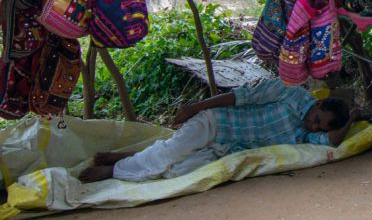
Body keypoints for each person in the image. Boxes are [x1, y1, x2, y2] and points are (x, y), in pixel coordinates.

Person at [79, 78, 353, 183]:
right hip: (214, 123)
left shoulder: (306, 135)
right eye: (316, 118)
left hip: (224, 149)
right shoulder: (287, 93)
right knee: (168, 155)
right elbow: (239, 97)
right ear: (317, 103)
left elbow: (330, 141)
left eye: (318, 126)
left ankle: (133, 156)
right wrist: (195, 107)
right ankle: (115, 170)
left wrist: (351, 118)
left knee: (176, 171)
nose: (312, 125)